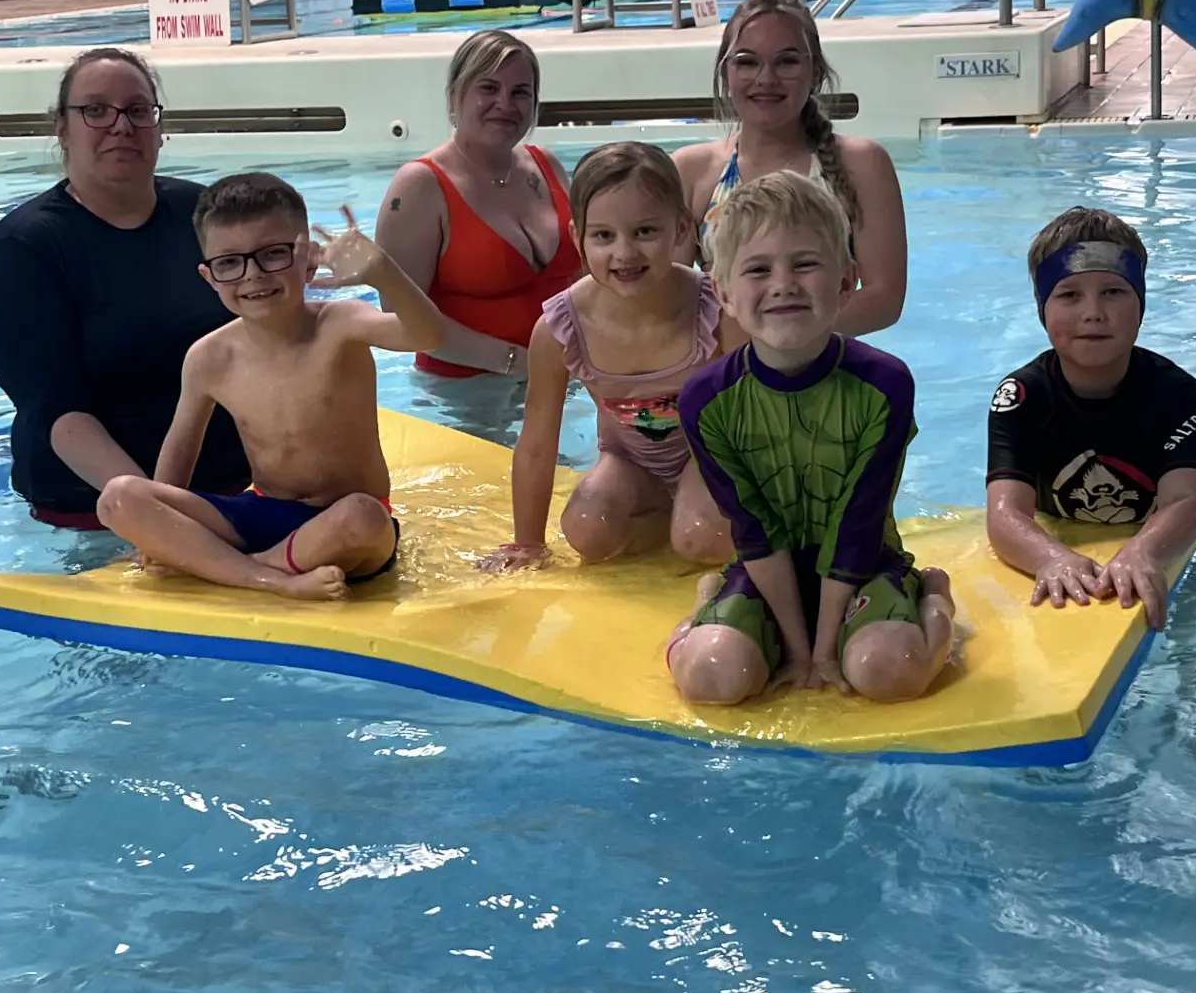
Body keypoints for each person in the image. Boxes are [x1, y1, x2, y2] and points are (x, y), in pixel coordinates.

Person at [668, 172, 954, 707]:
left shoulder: (884, 385)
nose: (783, 284)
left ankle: (934, 596)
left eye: (805, 264)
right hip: (764, 568)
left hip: (866, 564)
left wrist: (822, 653)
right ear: (724, 294)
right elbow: (755, 528)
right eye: (758, 269)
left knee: (889, 672)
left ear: (846, 281)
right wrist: (798, 651)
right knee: (711, 677)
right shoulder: (706, 400)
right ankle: (709, 606)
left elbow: (858, 521)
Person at [96, 173, 443, 601]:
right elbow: (179, 457)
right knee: (118, 496)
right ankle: (272, 577)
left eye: (273, 254)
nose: (253, 276)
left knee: (363, 516)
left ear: (309, 259)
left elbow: (429, 336)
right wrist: (153, 533)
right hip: (257, 513)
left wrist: (382, 274)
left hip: (340, 526)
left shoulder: (340, 325)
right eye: (230, 262)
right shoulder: (210, 357)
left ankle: (240, 569)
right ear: (209, 276)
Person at [0, 47, 248, 529]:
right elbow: (56, 411)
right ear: (61, 127)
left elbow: (259, 339)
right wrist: (160, 515)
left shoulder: (201, 212)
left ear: (158, 127)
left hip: (233, 488)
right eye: (95, 110)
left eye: (138, 110)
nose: (121, 125)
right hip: (96, 511)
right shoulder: (25, 248)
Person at [482, 142, 731, 572]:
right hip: (630, 462)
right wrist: (527, 543)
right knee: (586, 531)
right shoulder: (561, 328)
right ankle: (665, 526)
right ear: (577, 237)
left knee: (702, 536)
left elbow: (767, 414)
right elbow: (538, 444)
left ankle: (690, 526)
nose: (625, 253)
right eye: (603, 236)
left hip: (709, 458)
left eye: (645, 232)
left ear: (681, 228)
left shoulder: (715, 309)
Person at [986, 207, 1196, 632]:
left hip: (1171, 541)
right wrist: (1050, 556)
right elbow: (1004, 514)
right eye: (1070, 295)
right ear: (1043, 309)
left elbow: (1188, 502)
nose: (1093, 312)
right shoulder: (1021, 397)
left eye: (1113, 291)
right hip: (1064, 533)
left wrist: (1144, 550)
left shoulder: (1178, 394)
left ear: (1141, 305)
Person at [673, 0, 908, 335]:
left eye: (787, 61)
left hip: (824, 373)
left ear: (815, 71)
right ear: (726, 73)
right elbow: (666, 296)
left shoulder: (863, 164)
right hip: (726, 375)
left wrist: (782, 342)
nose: (766, 78)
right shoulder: (692, 172)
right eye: (747, 61)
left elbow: (884, 299)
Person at [374, 31, 581, 379]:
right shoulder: (420, 186)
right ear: (456, 96)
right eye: (488, 88)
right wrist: (519, 364)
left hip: (562, 378)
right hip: (466, 396)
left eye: (520, 92)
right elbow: (400, 316)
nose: (505, 103)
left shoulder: (546, 166)